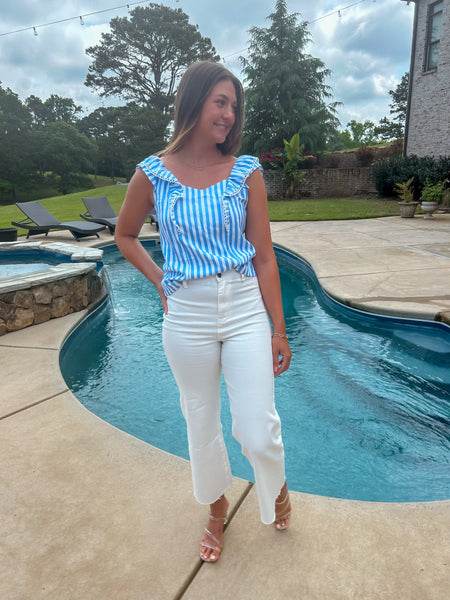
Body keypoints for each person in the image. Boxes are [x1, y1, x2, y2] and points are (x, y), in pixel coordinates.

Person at [115, 60, 292, 563]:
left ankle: (274, 484)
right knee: (201, 420)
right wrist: (159, 280)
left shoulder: (245, 171)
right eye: (221, 102)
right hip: (186, 313)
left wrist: (279, 329)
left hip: (242, 306)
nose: (230, 115)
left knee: (257, 429)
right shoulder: (152, 173)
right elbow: (124, 235)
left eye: (234, 106)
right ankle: (216, 510)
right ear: (193, 102)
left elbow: (263, 255)